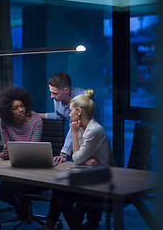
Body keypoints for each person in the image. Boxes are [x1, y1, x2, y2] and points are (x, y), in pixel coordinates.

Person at [38, 89, 116, 230]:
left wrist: (74, 134)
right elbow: (81, 156)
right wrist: (84, 159)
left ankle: (55, 227)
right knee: (60, 189)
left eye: (71, 110)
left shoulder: (94, 130)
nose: (69, 114)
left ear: (79, 112)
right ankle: (68, 227)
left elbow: (77, 157)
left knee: (62, 192)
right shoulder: (82, 126)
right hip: (91, 172)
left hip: (106, 177)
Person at [0, 85, 43, 219]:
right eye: (15, 108)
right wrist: (6, 154)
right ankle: (19, 205)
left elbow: (32, 149)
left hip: (32, 168)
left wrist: (11, 153)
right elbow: (7, 146)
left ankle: (22, 207)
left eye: (22, 105)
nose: (21, 110)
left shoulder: (36, 121)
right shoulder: (4, 122)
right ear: (8, 111)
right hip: (14, 166)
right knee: (2, 192)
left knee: (7, 189)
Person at [32, 72, 100, 163]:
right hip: (78, 141)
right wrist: (38, 115)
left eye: (54, 93)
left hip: (91, 140)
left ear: (66, 90)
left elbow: (75, 125)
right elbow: (59, 115)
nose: (51, 96)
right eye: (51, 92)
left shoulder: (81, 98)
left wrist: (64, 153)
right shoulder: (58, 99)